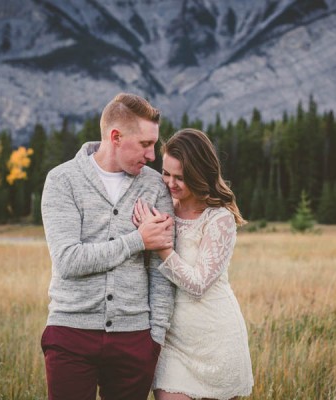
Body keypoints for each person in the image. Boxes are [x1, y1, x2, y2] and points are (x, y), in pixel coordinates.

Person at [40, 92, 176, 400]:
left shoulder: (154, 186)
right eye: (145, 144)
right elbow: (68, 260)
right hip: (70, 333)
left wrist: (154, 338)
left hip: (135, 339)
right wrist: (137, 240)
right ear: (115, 136)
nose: (153, 155)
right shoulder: (63, 180)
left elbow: (161, 270)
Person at [133, 128, 254, 400]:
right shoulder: (164, 208)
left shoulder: (218, 218)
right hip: (172, 340)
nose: (170, 183)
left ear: (200, 175)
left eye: (181, 177)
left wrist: (162, 246)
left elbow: (198, 284)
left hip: (216, 338)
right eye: (166, 173)